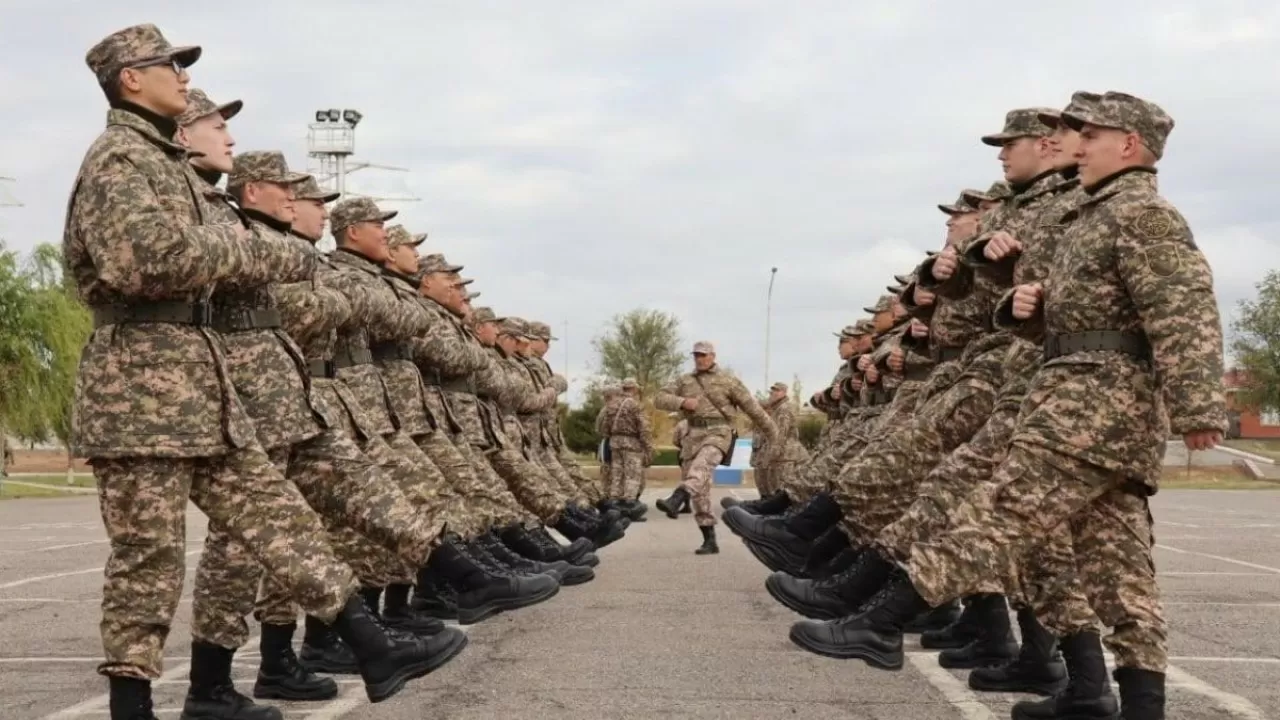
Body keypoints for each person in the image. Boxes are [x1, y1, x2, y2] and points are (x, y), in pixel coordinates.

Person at [788, 92, 1224, 720]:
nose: (1079, 144)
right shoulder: (1091, 218)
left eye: (1092, 135)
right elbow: (1069, 319)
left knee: (999, 509)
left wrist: (1199, 406)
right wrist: (1024, 307)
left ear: (1129, 145)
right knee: (1117, 568)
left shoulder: (1143, 215)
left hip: (1096, 407)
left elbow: (1183, 310)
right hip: (1077, 395)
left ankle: (880, 623)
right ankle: (1134, 706)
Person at [68, 24, 452, 717]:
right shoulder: (118, 159)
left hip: (204, 389)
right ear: (131, 77)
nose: (183, 78)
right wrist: (255, 251)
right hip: (138, 396)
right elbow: (146, 262)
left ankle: (371, 644)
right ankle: (135, 707)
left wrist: (244, 252)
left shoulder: (163, 166)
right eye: (171, 67)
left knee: (283, 520)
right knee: (148, 560)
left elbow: (202, 259)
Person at [654, 342, 779, 554]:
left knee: (701, 467)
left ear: (713, 356)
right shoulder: (684, 381)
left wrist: (774, 434)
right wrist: (683, 402)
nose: (700, 359)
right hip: (692, 436)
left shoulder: (728, 381)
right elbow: (659, 398)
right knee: (699, 492)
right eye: (696, 356)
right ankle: (709, 539)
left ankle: (678, 496)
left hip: (719, 433)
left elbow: (753, 409)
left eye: (703, 355)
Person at [607, 378, 653, 502]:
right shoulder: (635, 404)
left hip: (615, 443)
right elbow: (644, 428)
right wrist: (648, 448)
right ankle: (629, 504)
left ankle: (614, 501)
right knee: (632, 475)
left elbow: (604, 426)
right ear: (634, 389)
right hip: (631, 443)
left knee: (617, 474)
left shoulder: (611, 404)